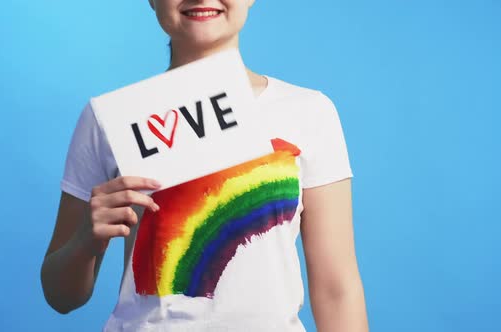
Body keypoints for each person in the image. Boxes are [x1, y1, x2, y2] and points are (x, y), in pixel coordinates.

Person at [40, 0, 369, 331]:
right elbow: (61, 297)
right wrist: (86, 241)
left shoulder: (308, 112)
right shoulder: (108, 119)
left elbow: (336, 288)